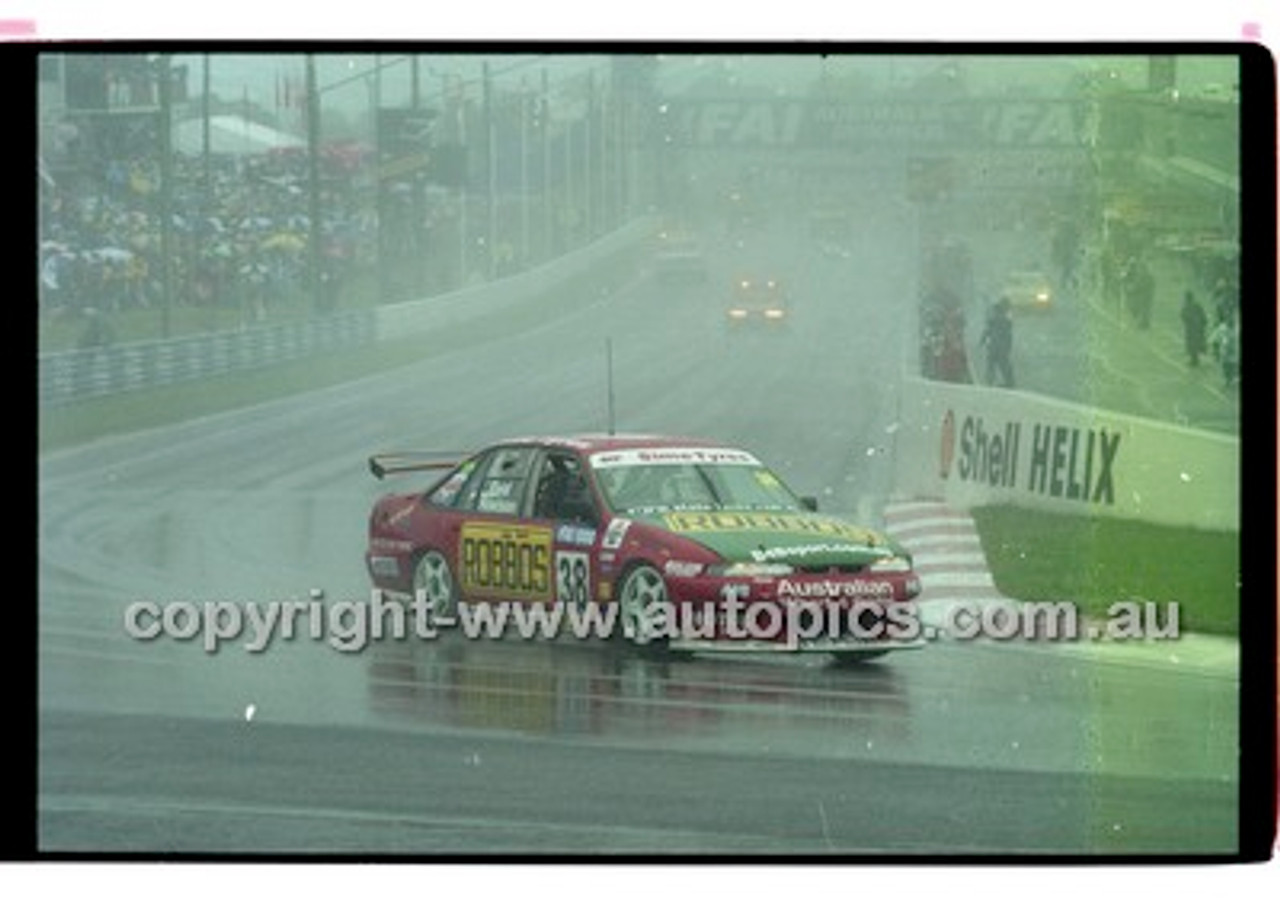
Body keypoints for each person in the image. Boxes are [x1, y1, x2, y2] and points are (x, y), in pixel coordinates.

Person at [979, 298, 1015, 388]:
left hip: (993, 346)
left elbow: (987, 331)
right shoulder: (1005, 320)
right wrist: (1008, 347)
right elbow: (1008, 336)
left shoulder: (994, 319)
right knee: (1004, 365)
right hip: (1000, 347)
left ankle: (989, 382)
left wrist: (982, 341)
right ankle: (1009, 382)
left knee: (992, 364)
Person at [1179, 291, 1208, 368]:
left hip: (1191, 329)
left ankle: (1194, 359)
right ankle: (1195, 358)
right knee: (1196, 342)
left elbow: (1183, 316)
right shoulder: (1197, 305)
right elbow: (1203, 315)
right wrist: (1203, 323)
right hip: (1197, 328)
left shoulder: (1187, 306)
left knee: (1192, 343)